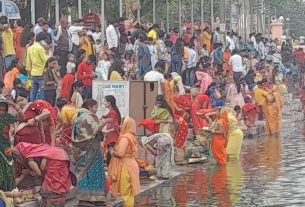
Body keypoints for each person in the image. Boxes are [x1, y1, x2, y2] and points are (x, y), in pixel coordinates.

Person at [13, 142, 76, 207]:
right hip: (62, 156)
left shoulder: (29, 159)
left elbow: (38, 173)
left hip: (55, 160)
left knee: (53, 189)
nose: (17, 161)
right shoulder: (33, 149)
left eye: (16, 158)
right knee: (59, 186)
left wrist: (27, 173)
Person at [71, 99, 107, 206]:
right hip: (92, 150)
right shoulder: (88, 116)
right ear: (90, 107)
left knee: (84, 173)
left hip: (83, 150)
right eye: (95, 107)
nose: (96, 110)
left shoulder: (79, 116)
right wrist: (105, 122)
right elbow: (96, 129)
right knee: (93, 173)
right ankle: (94, 197)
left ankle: (85, 197)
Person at [108, 117, 140, 207]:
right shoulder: (132, 137)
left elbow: (121, 154)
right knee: (130, 194)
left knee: (125, 193)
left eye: (123, 124)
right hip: (132, 165)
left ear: (127, 125)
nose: (121, 126)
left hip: (126, 167)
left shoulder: (124, 138)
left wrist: (112, 152)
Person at [0, 96, 25, 191]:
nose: (1, 112)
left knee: (8, 167)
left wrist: (16, 106)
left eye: (3, 110)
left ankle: (8, 188)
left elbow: (23, 118)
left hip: (5, 148)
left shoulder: (8, 117)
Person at [26, 32, 48, 101]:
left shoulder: (30, 48)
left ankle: (32, 104)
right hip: (41, 72)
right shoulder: (40, 48)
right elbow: (45, 60)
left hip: (33, 73)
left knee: (33, 91)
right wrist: (47, 53)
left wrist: (29, 73)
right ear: (42, 40)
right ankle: (40, 104)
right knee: (41, 91)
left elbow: (28, 62)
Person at [102, 95, 121, 165]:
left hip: (112, 138)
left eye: (105, 101)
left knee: (110, 157)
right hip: (111, 137)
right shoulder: (112, 112)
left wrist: (106, 131)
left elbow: (115, 127)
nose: (103, 103)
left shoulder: (112, 112)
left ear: (109, 102)